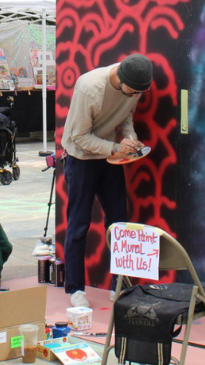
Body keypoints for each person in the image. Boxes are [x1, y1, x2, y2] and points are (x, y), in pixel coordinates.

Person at [61, 54, 153, 308]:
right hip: (81, 157)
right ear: (121, 79)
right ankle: (76, 289)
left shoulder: (135, 86)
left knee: (119, 223)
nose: (136, 96)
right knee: (79, 223)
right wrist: (114, 147)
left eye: (139, 93)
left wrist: (130, 139)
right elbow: (78, 137)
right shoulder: (90, 87)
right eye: (133, 91)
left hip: (110, 155)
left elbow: (126, 115)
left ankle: (119, 284)